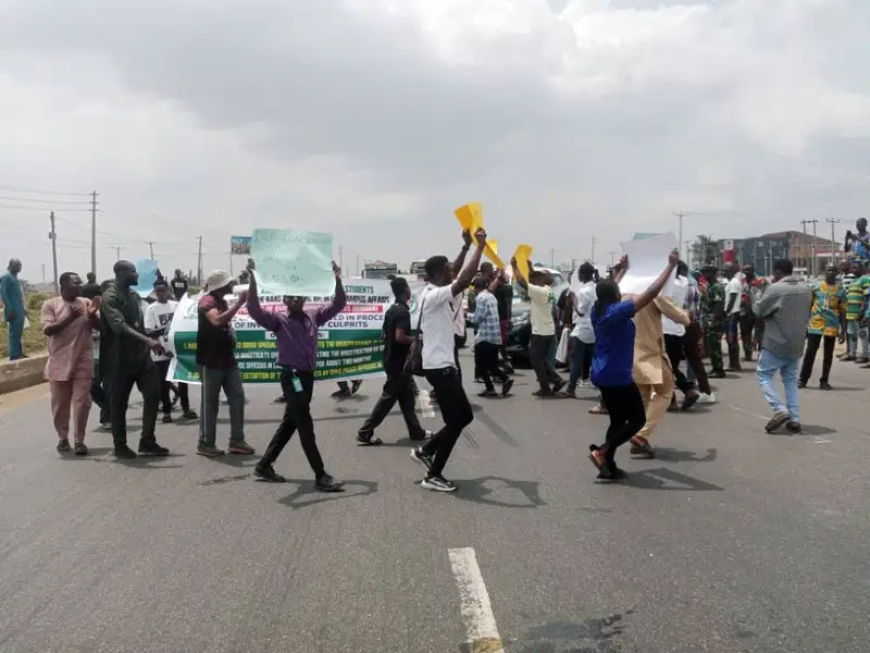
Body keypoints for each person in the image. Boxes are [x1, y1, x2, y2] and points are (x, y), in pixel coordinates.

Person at [246, 260, 345, 491]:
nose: (296, 300)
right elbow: (253, 309)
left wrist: (336, 278)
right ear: (284, 301)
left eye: (299, 296)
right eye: (290, 297)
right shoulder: (278, 321)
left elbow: (339, 302)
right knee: (305, 425)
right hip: (292, 378)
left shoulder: (314, 316)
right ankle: (321, 475)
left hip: (306, 378)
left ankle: (264, 465)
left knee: (290, 423)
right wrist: (252, 278)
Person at [587, 249, 680, 480]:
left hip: (602, 373)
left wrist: (622, 271)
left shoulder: (597, 309)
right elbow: (650, 293)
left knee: (618, 420)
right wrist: (669, 267)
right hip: (617, 375)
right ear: (616, 295)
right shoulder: (616, 312)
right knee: (637, 419)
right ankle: (603, 450)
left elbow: (607, 290)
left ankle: (607, 466)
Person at [409, 229, 486, 492]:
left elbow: (456, 271)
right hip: (440, 368)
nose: (453, 271)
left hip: (442, 365)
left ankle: (426, 451)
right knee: (457, 420)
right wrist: (480, 247)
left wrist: (465, 248)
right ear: (440, 274)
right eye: (448, 270)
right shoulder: (433, 295)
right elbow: (463, 280)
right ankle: (433, 475)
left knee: (463, 417)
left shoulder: (435, 289)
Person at [100, 261, 169, 458]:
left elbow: (137, 324)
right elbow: (120, 326)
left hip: (140, 356)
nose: (136, 274)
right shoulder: (110, 296)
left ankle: (147, 440)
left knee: (154, 393)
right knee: (119, 403)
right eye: (132, 271)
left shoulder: (133, 295)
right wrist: (148, 340)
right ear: (121, 273)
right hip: (119, 358)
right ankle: (120, 445)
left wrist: (149, 342)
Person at [626, 254, 690, 459]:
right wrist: (688, 316)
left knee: (643, 395)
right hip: (650, 351)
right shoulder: (655, 291)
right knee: (665, 391)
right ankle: (642, 436)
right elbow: (679, 317)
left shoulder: (625, 290)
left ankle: (637, 434)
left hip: (630, 352)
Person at [357, 277, 432, 444]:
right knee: (388, 398)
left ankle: (416, 431)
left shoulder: (391, 310)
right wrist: (416, 340)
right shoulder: (402, 312)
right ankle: (365, 431)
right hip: (399, 363)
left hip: (392, 360)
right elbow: (400, 337)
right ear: (406, 291)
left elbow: (384, 335)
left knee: (407, 397)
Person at [196, 271, 254, 457]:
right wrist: (239, 304)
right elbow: (216, 321)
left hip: (227, 359)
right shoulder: (207, 301)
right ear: (220, 286)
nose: (231, 286)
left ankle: (237, 440)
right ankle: (205, 443)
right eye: (228, 284)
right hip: (210, 361)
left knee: (237, 398)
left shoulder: (221, 302)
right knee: (210, 404)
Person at [41, 272, 101, 455]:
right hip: (59, 361)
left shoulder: (86, 303)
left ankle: (79, 440)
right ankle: (62, 438)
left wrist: (92, 317)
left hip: (83, 359)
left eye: (80, 283)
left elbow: (99, 327)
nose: (80, 285)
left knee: (82, 401)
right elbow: (48, 330)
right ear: (64, 286)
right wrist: (69, 318)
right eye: (76, 283)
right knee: (60, 403)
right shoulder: (50, 305)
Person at [753, 259, 812, 434]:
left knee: (763, 375)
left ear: (778, 273)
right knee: (790, 380)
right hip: (797, 342)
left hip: (776, 342)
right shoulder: (806, 288)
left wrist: (759, 291)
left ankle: (779, 409)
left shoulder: (775, 289)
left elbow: (758, 310)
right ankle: (794, 418)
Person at [145, 280, 198, 423]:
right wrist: (163, 348)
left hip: (177, 351)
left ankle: (186, 409)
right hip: (161, 352)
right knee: (163, 383)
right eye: (158, 291)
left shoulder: (176, 306)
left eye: (163, 290)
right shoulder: (151, 309)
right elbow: (150, 331)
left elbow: (183, 326)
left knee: (182, 380)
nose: (161, 294)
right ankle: (166, 411)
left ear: (168, 290)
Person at [512, 259, 565, 397]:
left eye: (539, 275)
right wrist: (530, 268)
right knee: (541, 360)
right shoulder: (549, 290)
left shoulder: (540, 292)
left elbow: (523, 283)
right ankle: (551, 383)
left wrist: (514, 267)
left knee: (536, 360)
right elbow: (532, 280)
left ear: (544, 279)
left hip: (540, 331)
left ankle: (550, 383)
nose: (535, 276)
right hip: (547, 330)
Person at [799, 265, 845, 390]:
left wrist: (843, 331)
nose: (830, 273)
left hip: (831, 325)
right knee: (810, 353)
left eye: (833, 271)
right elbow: (808, 306)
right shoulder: (815, 287)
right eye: (828, 270)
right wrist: (804, 324)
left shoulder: (840, 290)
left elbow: (842, 311)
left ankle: (824, 380)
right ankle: (803, 379)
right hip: (815, 324)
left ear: (837, 273)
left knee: (828, 355)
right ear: (824, 272)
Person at [663, 261, 700, 411]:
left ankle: (686, 391)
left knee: (666, 367)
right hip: (679, 329)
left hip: (665, 329)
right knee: (671, 366)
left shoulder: (668, 285)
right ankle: (672, 398)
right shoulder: (685, 283)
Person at [469, 275, 513, 398]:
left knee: (481, 364)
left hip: (485, 336)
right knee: (491, 364)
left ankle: (492, 386)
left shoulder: (481, 298)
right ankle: (504, 380)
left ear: (476, 287)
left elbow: (478, 318)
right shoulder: (491, 297)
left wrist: (466, 316)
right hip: (495, 336)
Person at [565, 262, 597, 397]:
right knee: (593, 361)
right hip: (594, 330)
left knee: (575, 361)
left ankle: (571, 389)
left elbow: (581, 312)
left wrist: (573, 299)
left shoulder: (584, 291)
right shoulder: (597, 288)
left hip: (582, 329)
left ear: (584, 274)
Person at [700, 263, 726, 378]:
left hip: (714, 322)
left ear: (713, 273)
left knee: (715, 346)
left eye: (707, 272)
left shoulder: (717, 287)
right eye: (703, 272)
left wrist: (713, 321)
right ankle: (715, 367)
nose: (704, 275)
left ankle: (719, 370)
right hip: (708, 320)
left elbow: (718, 305)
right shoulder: (709, 286)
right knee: (711, 347)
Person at [843, 261, 870, 363]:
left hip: (859, 312)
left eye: (855, 268)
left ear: (862, 268)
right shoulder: (854, 280)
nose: (853, 270)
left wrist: (862, 311)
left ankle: (865, 356)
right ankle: (852, 354)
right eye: (852, 268)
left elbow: (866, 297)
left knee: (862, 334)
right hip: (850, 312)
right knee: (852, 334)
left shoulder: (865, 279)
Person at [1, 258, 26, 361]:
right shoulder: (6, 277)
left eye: (20, 265)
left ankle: (19, 352)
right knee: (14, 332)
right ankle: (14, 354)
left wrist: (23, 308)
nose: (19, 267)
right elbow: (3, 294)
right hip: (13, 309)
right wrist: (10, 308)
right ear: (11, 266)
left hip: (19, 308)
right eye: (17, 265)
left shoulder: (15, 278)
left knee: (19, 331)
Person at [723, 263, 743, 371]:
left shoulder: (734, 283)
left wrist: (727, 312)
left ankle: (734, 364)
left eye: (725, 270)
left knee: (732, 340)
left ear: (731, 271)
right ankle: (733, 363)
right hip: (731, 314)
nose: (724, 273)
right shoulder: (731, 282)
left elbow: (732, 298)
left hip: (732, 314)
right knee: (731, 340)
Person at [739, 264, 758, 361]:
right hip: (744, 313)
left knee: (760, 334)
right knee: (745, 334)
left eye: (749, 269)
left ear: (753, 270)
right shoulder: (741, 282)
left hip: (758, 312)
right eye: (745, 270)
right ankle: (748, 354)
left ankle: (761, 355)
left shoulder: (759, 281)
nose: (747, 271)